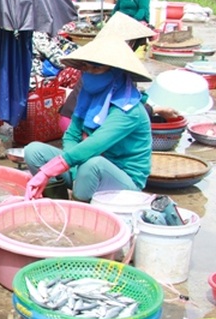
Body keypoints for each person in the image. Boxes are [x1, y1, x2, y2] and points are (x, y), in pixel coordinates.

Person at [24, 36, 152, 202]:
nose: (89, 73)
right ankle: (58, 202)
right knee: (33, 151)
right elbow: (72, 135)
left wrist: (49, 171)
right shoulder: (88, 97)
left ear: (115, 72)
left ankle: (79, 211)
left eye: (96, 68)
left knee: (93, 164)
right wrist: (75, 170)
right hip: (84, 169)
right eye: (86, 67)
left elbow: (96, 144)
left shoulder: (129, 110)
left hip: (122, 180)